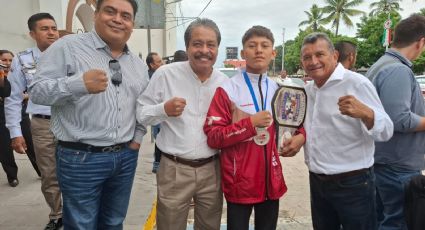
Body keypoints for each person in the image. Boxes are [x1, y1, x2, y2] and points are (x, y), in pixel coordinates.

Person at [29, 0, 149, 228]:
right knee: (81, 224)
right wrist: (77, 84)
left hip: (125, 157)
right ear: (96, 15)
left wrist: (137, 139)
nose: (117, 19)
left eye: (126, 16)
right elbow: (36, 91)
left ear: (132, 23)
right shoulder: (68, 47)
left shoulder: (138, 65)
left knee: (114, 221)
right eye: (110, 11)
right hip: (80, 158)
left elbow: (143, 106)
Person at [203, 25, 306, 230]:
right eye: (252, 45)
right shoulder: (228, 90)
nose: (258, 50)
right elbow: (214, 137)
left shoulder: (280, 90)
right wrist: (249, 124)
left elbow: (297, 124)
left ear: (273, 53)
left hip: (272, 182)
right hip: (240, 183)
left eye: (264, 45)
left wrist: (300, 138)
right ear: (243, 53)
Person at [137, 18, 226, 230]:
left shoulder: (225, 83)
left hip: (213, 169)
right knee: (169, 225)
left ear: (217, 48)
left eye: (210, 45)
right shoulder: (165, 75)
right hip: (174, 169)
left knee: (210, 225)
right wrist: (163, 110)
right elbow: (141, 113)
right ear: (187, 47)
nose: (204, 50)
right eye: (197, 44)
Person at [299, 32, 393, 230]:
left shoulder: (356, 83)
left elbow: (386, 131)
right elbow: (311, 129)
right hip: (317, 181)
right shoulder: (308, 91)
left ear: (334, 56)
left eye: (319, 54)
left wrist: (367, 113)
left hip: (354, 184)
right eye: (307, 57)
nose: (313, 61)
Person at [365, 14, 425, 230]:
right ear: (421, 42)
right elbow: (399, 119)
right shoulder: (397, 70)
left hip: (384, 162)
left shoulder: (381, 65)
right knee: (398, 222)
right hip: (397, 165)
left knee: (383, 219)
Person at [4, 13, 62, 229]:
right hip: (42, 124)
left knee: (76, 170)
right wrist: (15, 132)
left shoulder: (70, 55)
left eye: (54, 28)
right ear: (32, 34)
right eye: (45, 29)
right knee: (48, 173)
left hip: (73, 123)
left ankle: (77, 211)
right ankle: (57, 214)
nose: (51, 33)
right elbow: (12, 98)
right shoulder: (23, 60)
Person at [1, 50, 37, 188]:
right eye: (4, 60)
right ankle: (12, 176)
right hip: (1, 118)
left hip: (21, 114)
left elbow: (31, 91)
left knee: (31, 144)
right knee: (5, 149)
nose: (8, 63)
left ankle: (40, 170)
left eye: (10, 60)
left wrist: (24, 96)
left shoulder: (20, 74)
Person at [146, 52, 164, 173]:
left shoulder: (157, 74)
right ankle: (158, 165)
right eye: (158, 62)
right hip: (158, 113)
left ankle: (157, 164)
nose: (162, 63)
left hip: (159, 113)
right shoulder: (154, 77)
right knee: (161, 138)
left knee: (159, 138)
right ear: (152, 65)